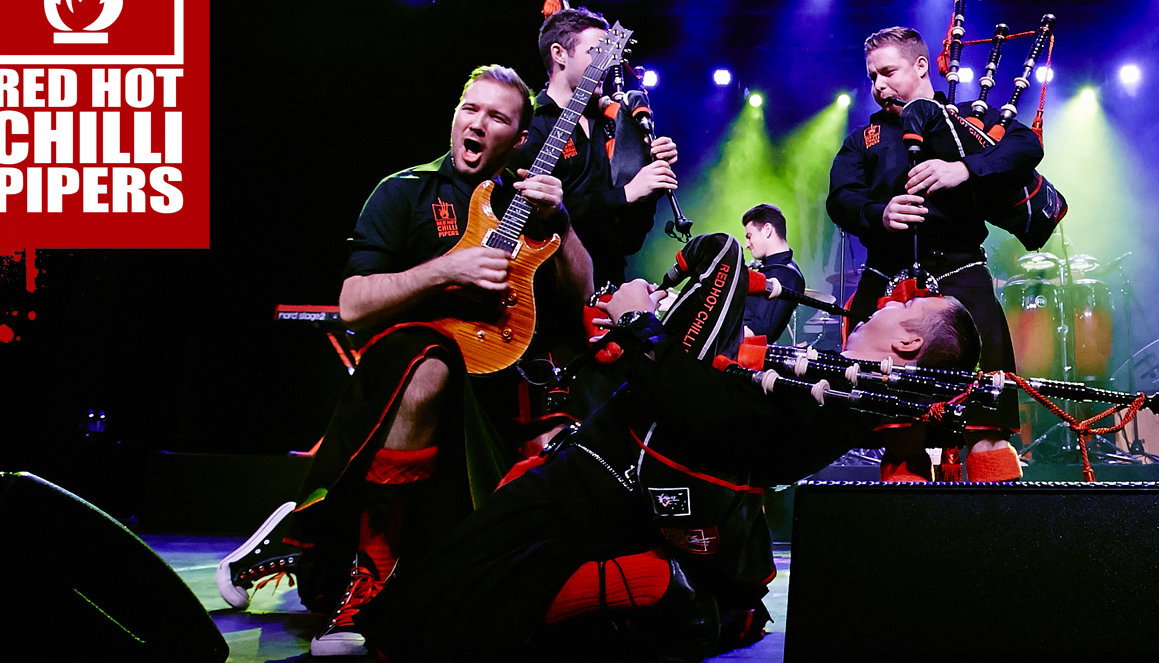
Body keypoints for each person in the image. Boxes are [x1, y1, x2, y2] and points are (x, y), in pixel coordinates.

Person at [354, 233, 983, 662]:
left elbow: (700, 407)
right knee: (449, 587)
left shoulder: (846, 404)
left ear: (907, 345)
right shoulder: (847, 390)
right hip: (613, 469)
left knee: (454, 613)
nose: (887, 302)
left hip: (617, 485)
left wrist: (636, 324)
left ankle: (667, 595)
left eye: (908, 308)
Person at [216, 65, 593, 656]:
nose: (477, 124)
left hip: (496, 384)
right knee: (429, 358)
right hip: (405, 381)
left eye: (497, 117)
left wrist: (563, 223)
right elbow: (353, 303)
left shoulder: (532, 200)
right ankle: (367, 577)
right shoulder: (404, 191)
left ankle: (306, 532)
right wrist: (447, 269)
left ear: (520, 138)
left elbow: (580, 294)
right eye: (470, 109)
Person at [827, 25, 1043, 483]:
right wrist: (878, 213)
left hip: (962, 273)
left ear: (921, 66)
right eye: (872, 76)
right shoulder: (863, 140)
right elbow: (840, 199)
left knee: (987, 421)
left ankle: (1004, 539)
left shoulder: (966, 117)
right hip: (887, 280)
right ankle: (906, 541)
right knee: (898, 428)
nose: (878, 85)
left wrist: (964, 168)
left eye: (888, 71)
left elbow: (1027, 146)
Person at [513, 7, 679, 290]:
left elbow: (630, 240)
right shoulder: (530, 125)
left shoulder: (612, 123)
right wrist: (627, 193)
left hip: (611, 285)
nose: (608, 63)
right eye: (595, 52)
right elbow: (537, 215)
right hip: (552, 288)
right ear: (559, 54)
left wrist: (648, 181)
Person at [740, 203, 806, 343]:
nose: (746, 244)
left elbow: (759, 329)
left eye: (749, 236)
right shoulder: (771, 269)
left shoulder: (785, 275)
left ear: (767, 230)